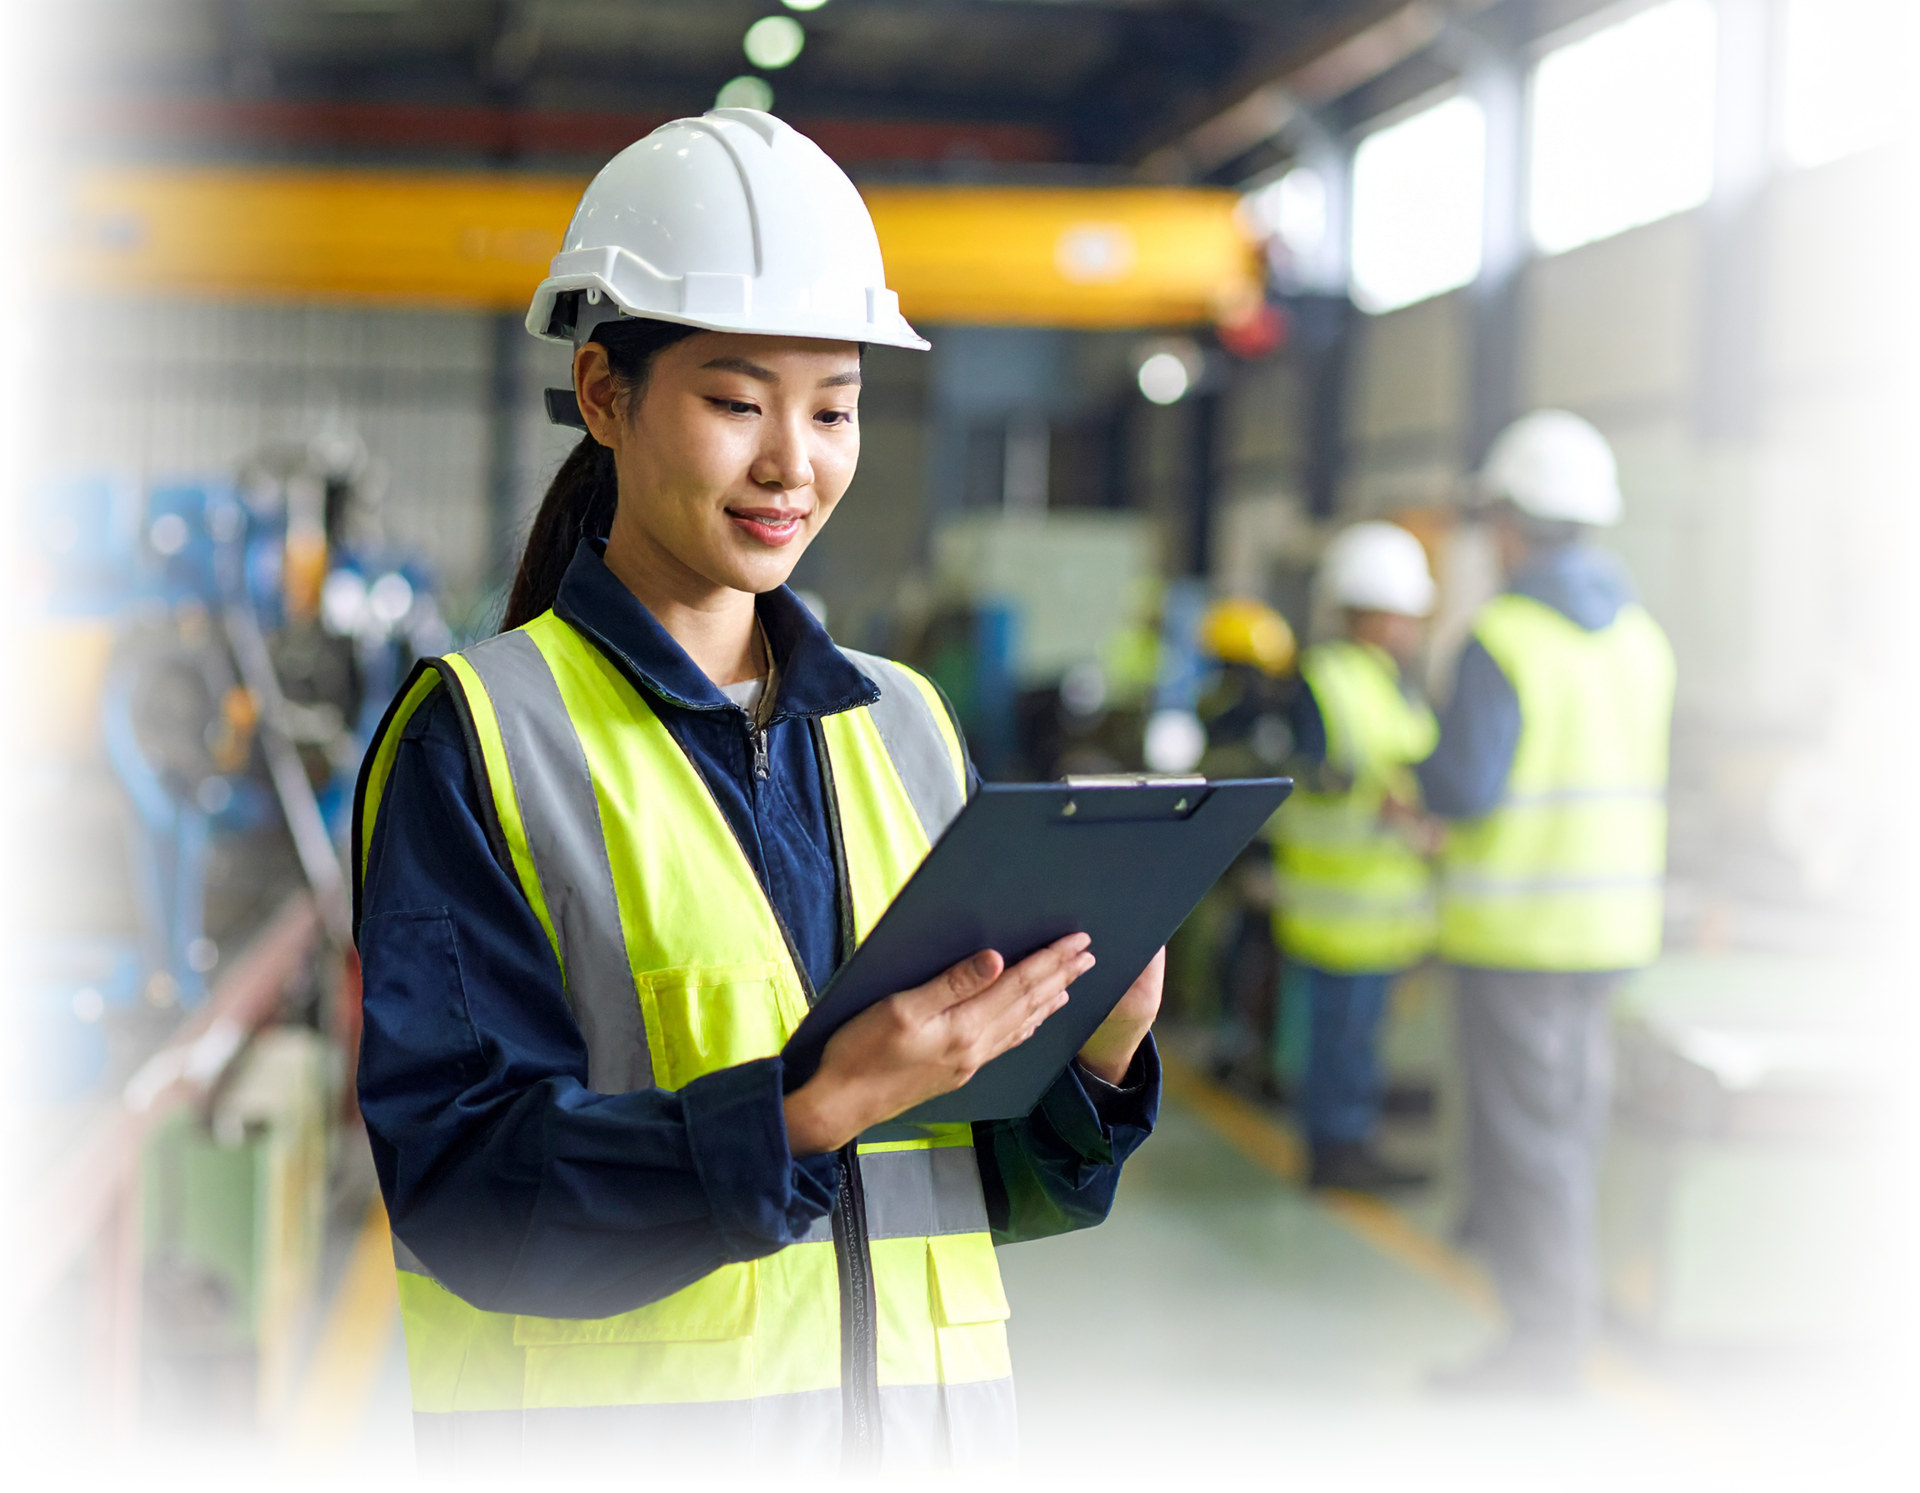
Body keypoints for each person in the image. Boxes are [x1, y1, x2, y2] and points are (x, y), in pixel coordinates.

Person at [352, 109, 1164, 1485]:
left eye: (835, 407)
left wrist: (1092, 1052)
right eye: (737, 402)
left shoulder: (903, 727)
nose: (795, 460)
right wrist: (801, 1113)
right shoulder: (484, 736)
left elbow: (978, 1189)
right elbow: (467, 1186)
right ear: (605, 394)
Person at [1416, 411, 1675, 1398]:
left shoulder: (1506, 638)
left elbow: (1468, 785)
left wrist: (1418, 787)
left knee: (1522, 1142)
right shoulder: (1642, 639)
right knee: (1569, 1132)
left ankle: (1545, 1341)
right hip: (1610, 928)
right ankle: (1564, 1314)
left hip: (1518, 926)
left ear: (1515, 526)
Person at [1270, 522, 1439, 1191]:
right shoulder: (1324, 681)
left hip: (1381, 907)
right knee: (1340, 1043)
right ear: (1374, 612)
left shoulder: (1388, 682)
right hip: (1339, 906)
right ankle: (1336, 1150)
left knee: (1358, 1042)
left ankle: (1351, 1141)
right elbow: (1317, 775)